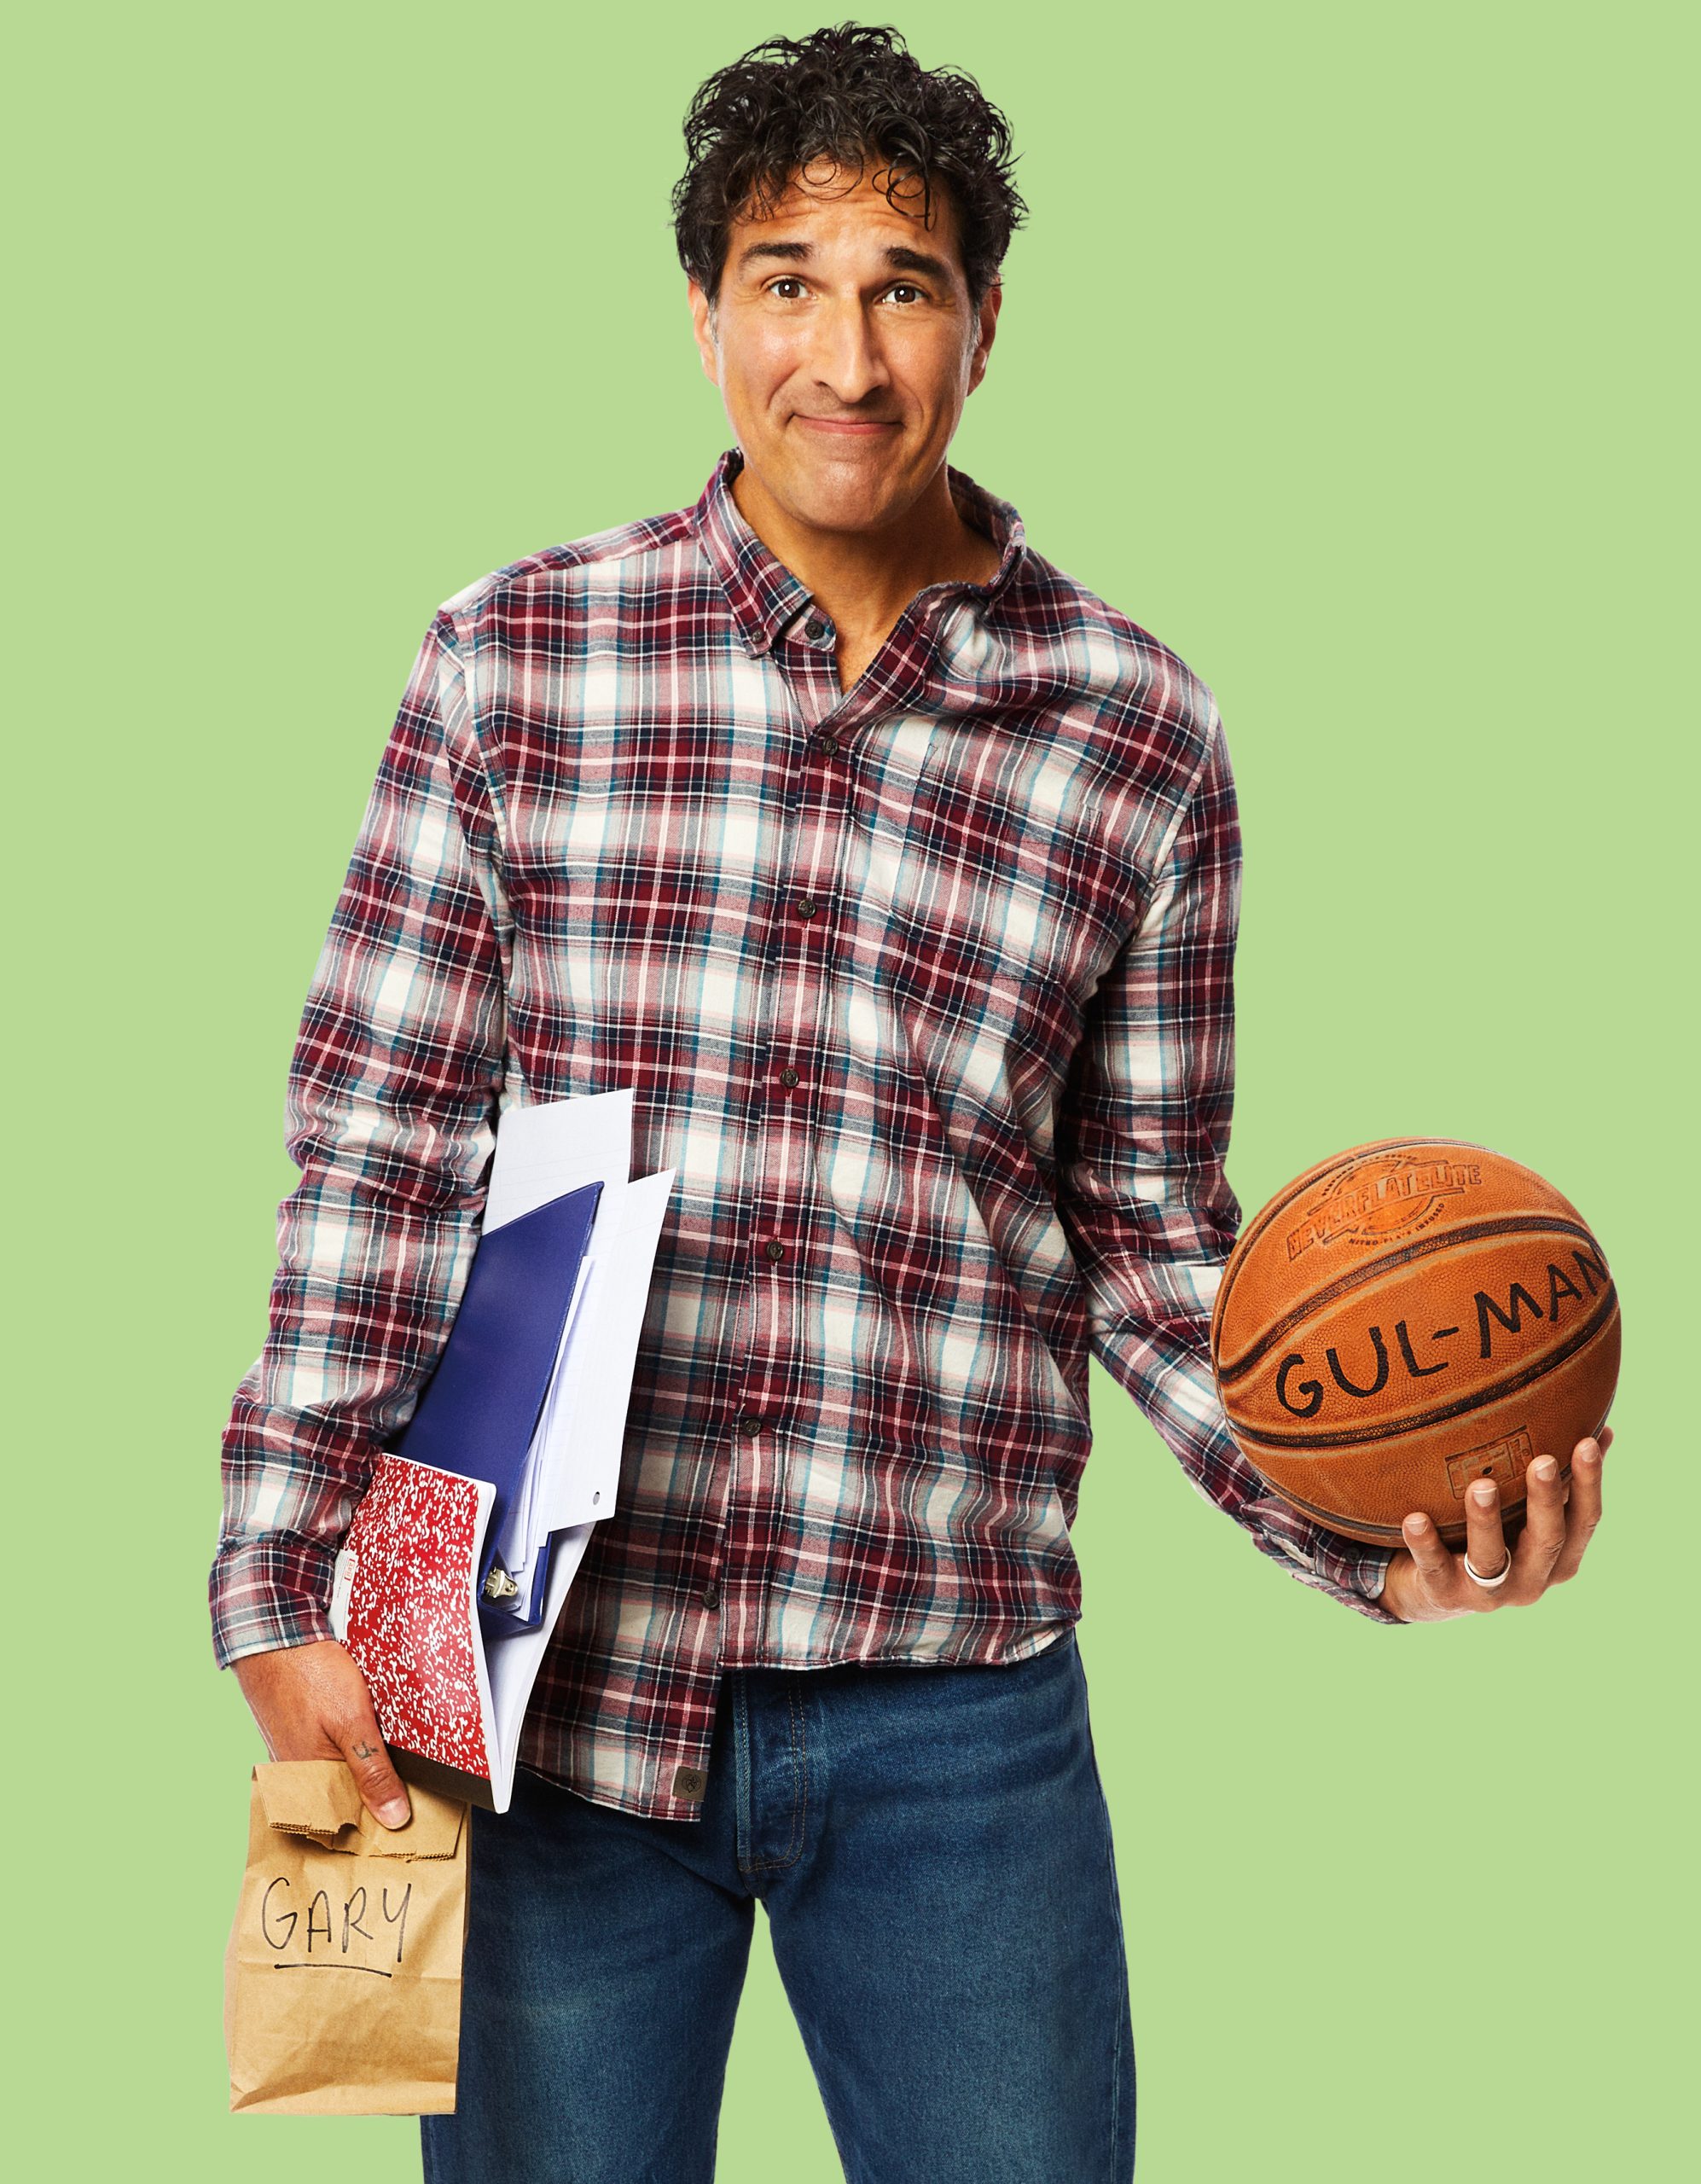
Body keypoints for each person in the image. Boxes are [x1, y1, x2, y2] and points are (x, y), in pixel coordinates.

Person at [211, 25, 1608, 2182]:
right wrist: (279, 1566)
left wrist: (1370, 1537)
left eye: (903, 284)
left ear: (980, 323)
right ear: (701, 316)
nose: (843, 353)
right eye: (786, 279)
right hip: (535, 1673)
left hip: (951, 1695)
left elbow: (1151, 1238)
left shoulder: (1134, 731)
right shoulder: (513, 659)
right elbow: (380, 1140)